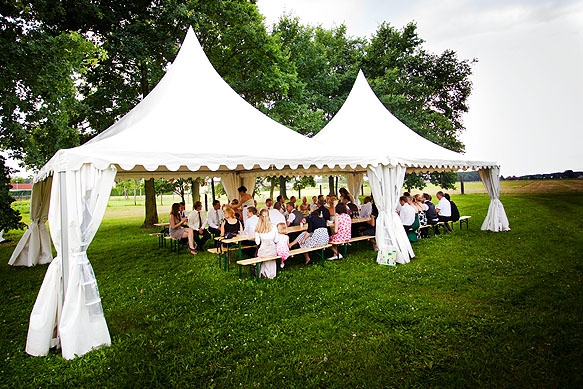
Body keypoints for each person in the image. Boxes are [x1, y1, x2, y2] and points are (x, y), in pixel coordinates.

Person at [255, 209, 278, 279]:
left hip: (263, 250)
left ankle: (264, 273)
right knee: (271, 258)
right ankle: (271, 274)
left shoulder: (258, 228)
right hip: (272, 250)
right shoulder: (274, 227)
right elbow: (276, 240)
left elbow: (257, 242)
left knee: (262, 255)